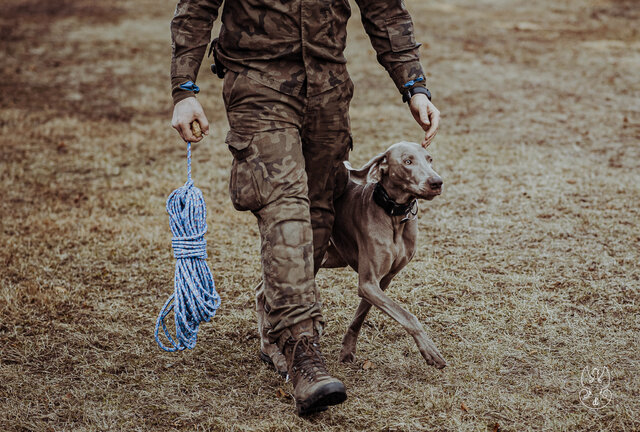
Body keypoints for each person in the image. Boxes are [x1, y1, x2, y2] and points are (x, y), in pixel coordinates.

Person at [170, 0, 440, 416]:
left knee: (318, 215)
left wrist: (414, 85)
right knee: (285, 207)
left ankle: (275, 327)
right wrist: (184, 88)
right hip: (258, 87)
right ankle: (304, 351)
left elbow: (384, 8)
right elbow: (197, 6)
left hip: (328, 93)